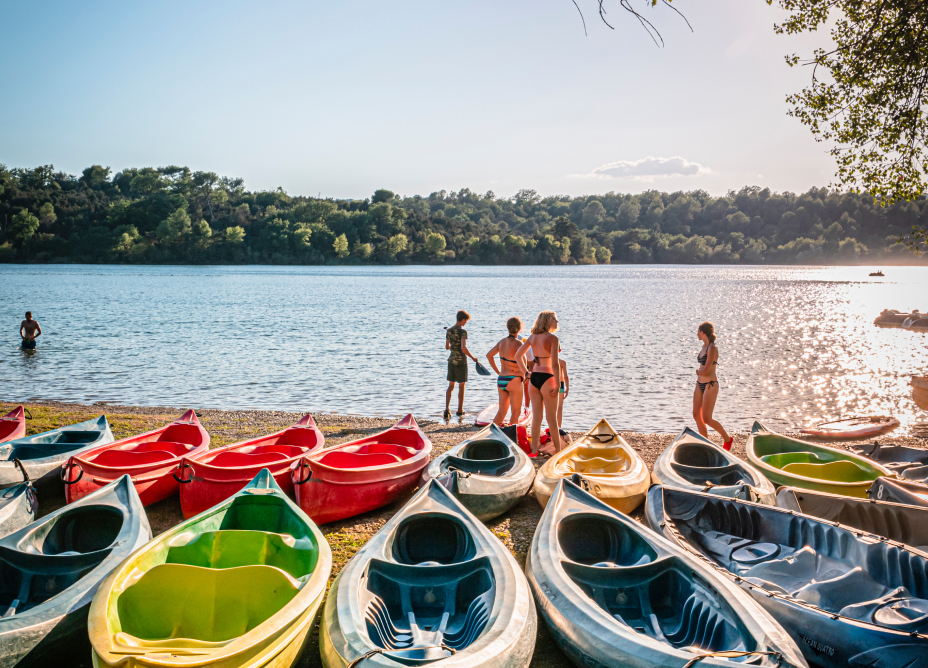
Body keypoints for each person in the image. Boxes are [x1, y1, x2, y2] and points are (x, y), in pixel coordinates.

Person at [517, 311, 561, 456]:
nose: (557, 321)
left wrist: (526, 373)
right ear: (548, 321)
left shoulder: (532, 337)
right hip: (548, 377)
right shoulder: (553, 339)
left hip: (534, 378)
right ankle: (558, 452)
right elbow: (555, 364)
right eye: (555, 319)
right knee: (551, 419)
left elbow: (518, 355)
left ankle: (534, 451)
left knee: (537, 418)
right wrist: (559, 384)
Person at [694, 321, 732, 450]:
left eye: (698, 331)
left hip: (710, 384)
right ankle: (705, 443)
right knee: (696, 415)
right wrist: (700, 372)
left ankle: (727, 439)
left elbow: (706, 370)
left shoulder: (712, 348)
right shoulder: (703, 347)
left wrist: (698, 371)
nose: (696, 333)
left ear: (703, 332)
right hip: (699, 384)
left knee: (707, 418)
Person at [486, 317, 529, 426]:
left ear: (507, 327)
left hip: (501, 380)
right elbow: (523, 363)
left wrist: (498, 372)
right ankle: (512, 438)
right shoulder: (519, 344)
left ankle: (492, 435)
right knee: (516, 413)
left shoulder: (501, 342)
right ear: (519, 329)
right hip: (514, 380)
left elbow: (489, 355)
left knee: (501, 412)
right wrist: (524, 375)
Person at [445, 310, 478, 419]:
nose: (465, 323)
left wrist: (454, 349)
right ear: (463, 319)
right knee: (462, 386)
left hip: (451, 361)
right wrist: (473, 357)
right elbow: (463, 347)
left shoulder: (449, 331)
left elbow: (447, 347)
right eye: (466, 321)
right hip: (461, 362)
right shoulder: (463, 332)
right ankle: (459, 410)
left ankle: (447, 409)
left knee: (451, 386)